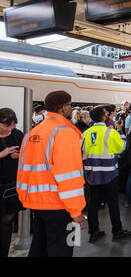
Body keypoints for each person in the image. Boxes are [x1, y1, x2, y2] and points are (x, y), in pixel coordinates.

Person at [17, 91, 86, 257]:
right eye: (70, 104)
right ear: (62, 108)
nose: (71, 108)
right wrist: (76, 211)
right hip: (60, 204)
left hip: (36, 203)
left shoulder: (32, 133)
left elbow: (23, 170)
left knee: (39, 248)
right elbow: (70, 176)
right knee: (64, 248)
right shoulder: (65, 133)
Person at [81, 106, 131, 243]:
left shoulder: (86, 133)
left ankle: (94, 232)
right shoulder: (110, 132)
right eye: (106, 113)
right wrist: (120, 131)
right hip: (109, 173)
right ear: (104, 117)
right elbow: (122, 147)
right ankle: (117, 231)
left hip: (91, 173)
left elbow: (81, 153)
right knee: (112, 202)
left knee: (93, 203)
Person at [0, 108, 24, 257]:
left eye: (12, 125)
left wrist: (20, 156)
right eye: (5, 125)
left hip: (11, 186)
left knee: (7, 221)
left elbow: (28, 155)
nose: (10, 128)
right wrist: (1, 154)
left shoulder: (17, 135)